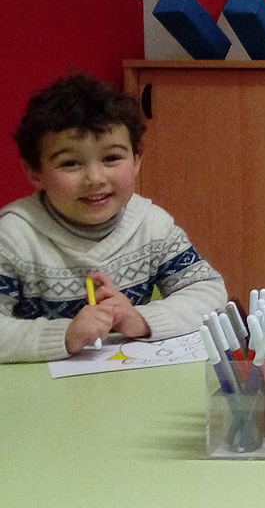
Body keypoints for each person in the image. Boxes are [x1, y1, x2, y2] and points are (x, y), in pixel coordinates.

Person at [0, 74, 228, 363]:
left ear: (136, 160)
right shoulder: (13, 237)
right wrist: (65, 335)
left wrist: (140, 319)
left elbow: (208, 292)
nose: (95, 178)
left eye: (111, 159)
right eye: (70, 163)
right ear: (35, 172)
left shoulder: (152, 225)